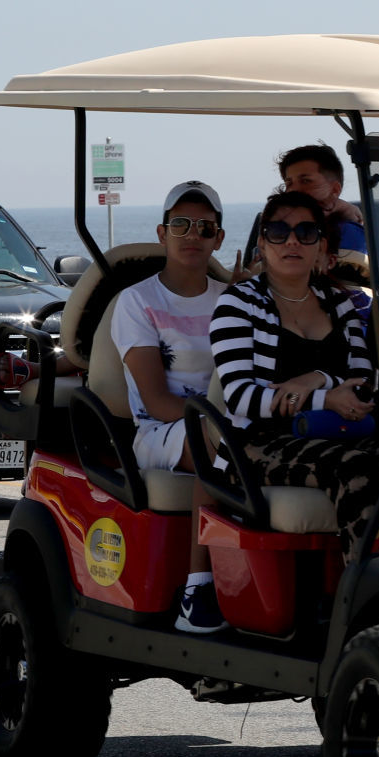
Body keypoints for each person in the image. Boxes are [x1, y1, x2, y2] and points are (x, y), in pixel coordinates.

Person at [210, 190, 379, 567]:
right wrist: (328, 399)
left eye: (306, 232)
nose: (291, 240)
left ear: (321, 245)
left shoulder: (340, 303)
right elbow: (240, 397)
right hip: (257, 442)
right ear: (262, 244)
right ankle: (361, 596)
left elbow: (362, 381)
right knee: (357, 469)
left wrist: (315, 379)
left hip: (338, 431)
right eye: (278, 231)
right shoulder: (237, 304)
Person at [109, 180, 230, 633]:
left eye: (204, 227)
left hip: (223, 425)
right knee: (212, 444)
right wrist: (221, 421)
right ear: (163, 234)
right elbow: (158, 401)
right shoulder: (137, 301)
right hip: (159, 432)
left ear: (218, 239)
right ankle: (198, 587)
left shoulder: (230, 300)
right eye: (181, 224)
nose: (192, 234)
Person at [277, 143, 367, 261]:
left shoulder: (346, 233)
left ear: (335, 190)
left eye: (305, 181)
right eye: (289, 183)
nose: (294, 189)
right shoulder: (277, 229)